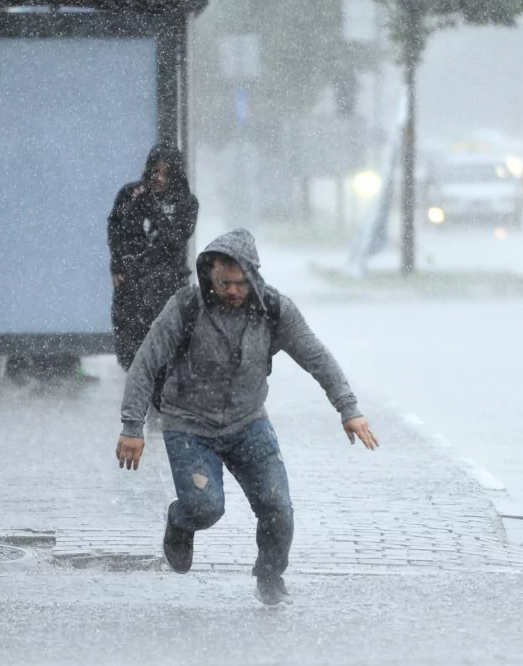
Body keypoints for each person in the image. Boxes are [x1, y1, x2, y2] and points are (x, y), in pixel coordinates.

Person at [114, 229, 379, 606]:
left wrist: (348, 408)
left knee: (278, 509)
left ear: (253, 275)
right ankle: (180, 520)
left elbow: (316, 357)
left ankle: (270, 577)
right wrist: (131, 426)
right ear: (210, 274)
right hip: (189, 424)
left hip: (248, 422)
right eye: (224, 283)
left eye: (240, 283)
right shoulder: (186, 306)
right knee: (206, 508)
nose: (233, 291)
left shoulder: (273, 309)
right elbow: (145, 362)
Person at [108, 144, 198, 372]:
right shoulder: (130, 194)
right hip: (133, 287)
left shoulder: (186, 203)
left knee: (169, 354)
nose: (158, 178)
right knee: (132, 357)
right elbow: (119, 232)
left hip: (167, 286)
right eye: (154, 171)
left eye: (165, 173)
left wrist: (150, 204)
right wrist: (117, 265)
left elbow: (174, 241)